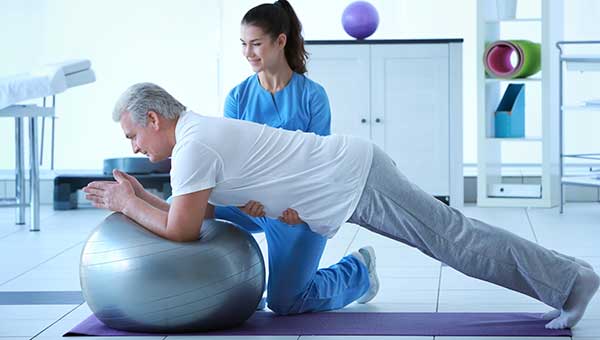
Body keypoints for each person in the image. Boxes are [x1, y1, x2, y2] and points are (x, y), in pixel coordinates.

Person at [84, 82, 599, 330]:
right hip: (348, 180)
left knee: (455, 240)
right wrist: (138, 198)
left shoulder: (193, 147)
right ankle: (566, 277)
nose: (134, 147)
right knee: (454, 237)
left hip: (355, 179)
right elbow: (191, 218)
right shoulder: (195, 137)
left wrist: (128, 203)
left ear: (153, 118)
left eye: (133, 134)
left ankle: (570, 281)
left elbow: (180, 233)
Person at [213, 0, 374, 314]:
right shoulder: (237, 97)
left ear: (280, 41)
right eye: (244, 44)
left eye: (256, 44)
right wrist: (243, 197)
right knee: (191, 202)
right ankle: (208, 289)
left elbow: (320, 167)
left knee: (285, 303)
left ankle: (359, 271)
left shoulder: (312, 96)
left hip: (295, 209)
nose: (248, 53)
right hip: (250, 205)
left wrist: (300, 209)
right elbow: (231, 164)